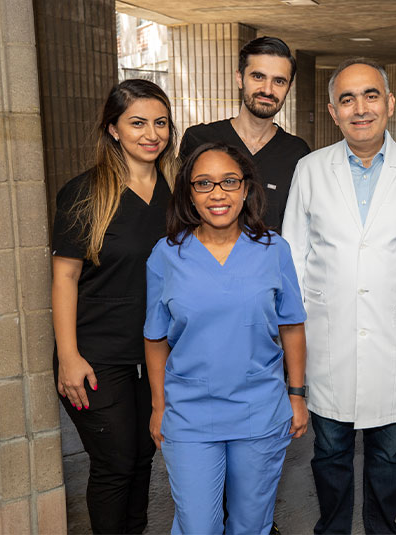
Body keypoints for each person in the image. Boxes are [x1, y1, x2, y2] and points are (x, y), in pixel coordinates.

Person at [282, 57, 396, 534]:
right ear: (333, 111)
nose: (360, 108)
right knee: (330, 450)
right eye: (347, 99)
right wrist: (293, 337)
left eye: (371, 95)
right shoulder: (311, 169)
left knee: (388, 454)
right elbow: (292, 257)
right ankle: (331, 529)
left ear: (390, 104)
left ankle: (382, 528)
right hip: (327, 337)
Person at [144, 142, 308, 535]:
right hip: (189, 414)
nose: (218, 194)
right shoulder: (166, 255)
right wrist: (158, 406)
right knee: (198, 526)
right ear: (188, 193)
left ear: (246, 188)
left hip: (259, 411)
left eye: (229, 181)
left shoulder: (274, 250)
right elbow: (154, 338)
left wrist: (297, 395)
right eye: (204, 184)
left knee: (251, 525)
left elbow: (292, 325)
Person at [51, 78, 177, 534]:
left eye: (160, 123)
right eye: (137, 123)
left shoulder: (176, 194)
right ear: (113, 129)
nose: (152, 134)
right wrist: (69, 357)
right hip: (97, 354)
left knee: (144, 457)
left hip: (156, 352)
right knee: (115, 462)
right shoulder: (86, 193)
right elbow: (64, 277)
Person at [179, 36, 310, 234]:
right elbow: (179, 212)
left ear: (289, 88)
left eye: (279, 81)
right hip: (203, 262)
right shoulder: (199, 139)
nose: (267, 89)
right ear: (240, 78)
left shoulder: (297, 153)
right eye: (258, 77)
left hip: (271, 263)